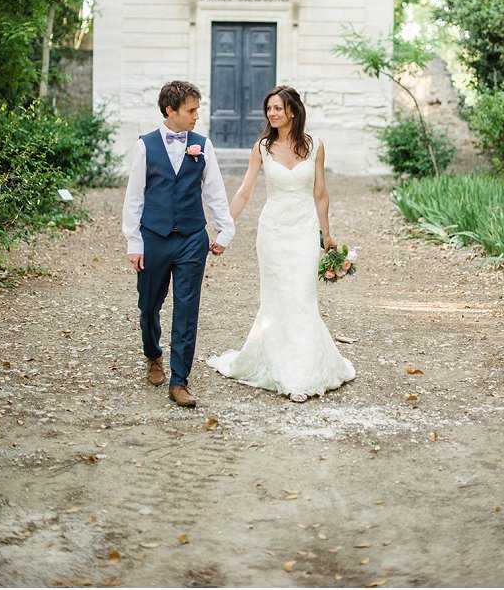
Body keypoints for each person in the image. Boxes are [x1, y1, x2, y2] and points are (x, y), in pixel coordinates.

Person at [207, 85, 355, 402]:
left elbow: (320, 193)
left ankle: (303, 370)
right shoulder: (262, 147)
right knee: (276, 299)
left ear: (292, 111)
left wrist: (327, 235)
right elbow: (245, 190)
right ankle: (282, 367)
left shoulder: (315, 146)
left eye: (277, 108)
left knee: (302, 295)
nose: (272, 113)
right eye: (269, 108)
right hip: (272, 231)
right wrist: (224, 228)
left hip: (304, 230)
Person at [122, 80, 235, 408]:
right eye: (191, 110)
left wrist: (224, 231)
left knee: (187, 310)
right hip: (153, 238)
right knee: (149, 306)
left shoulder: (203, 145)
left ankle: (179, 380)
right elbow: (134, 197)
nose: (196, 116)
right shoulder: (146, 145)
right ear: (170, 111)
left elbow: (214, 191)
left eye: (197, 110)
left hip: (191, 239)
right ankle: (153, 355)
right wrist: (134, 241)